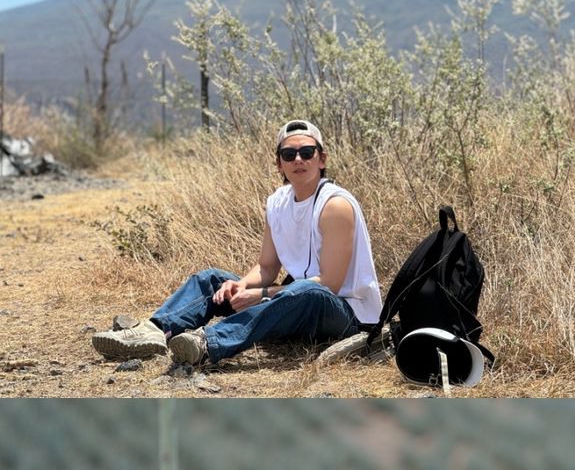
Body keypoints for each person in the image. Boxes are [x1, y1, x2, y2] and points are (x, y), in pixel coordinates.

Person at [92, 121, 380, 369]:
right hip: (292, 304)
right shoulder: (277, 202)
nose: (298, 160)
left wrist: (262, 295)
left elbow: (329, 284)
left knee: (307, 290)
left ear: (322, 159)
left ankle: (207, 344)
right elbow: (267, 267)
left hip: (345, 315)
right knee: (212, 280)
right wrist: (242, 286)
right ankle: (154, 332)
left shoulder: (335, 205)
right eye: (289, 154)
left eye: (307, 153)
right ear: (278, 163)